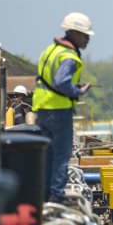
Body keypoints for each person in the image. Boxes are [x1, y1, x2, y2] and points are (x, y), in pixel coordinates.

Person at [33, 12, 94, 202]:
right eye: (85, 35)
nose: (87, 39)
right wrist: (78, 91)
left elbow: (49, 79)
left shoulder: (50, 50)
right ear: (74, 33)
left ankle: (45, 196)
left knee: (48, 153)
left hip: (43, 107)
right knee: (62, 153)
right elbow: (61, 81)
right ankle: (57, 195)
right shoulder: (69, 56)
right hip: (58, 110)